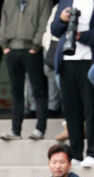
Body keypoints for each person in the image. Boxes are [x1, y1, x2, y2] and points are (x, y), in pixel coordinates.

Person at [0, 0, 51, 140]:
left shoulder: (42, 2)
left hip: (31, 49)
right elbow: (3, 22)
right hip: (12, 49)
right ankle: (15, 130)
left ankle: (40, 129)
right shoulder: (8, 2)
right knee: (16, 92)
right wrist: (4, 46)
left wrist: (35, 46)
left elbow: (44, 23)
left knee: (38, 90)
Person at [52, 0, 94, 166]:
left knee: (91, 108)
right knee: (71, 110)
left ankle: (91, 152)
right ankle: (76, 153)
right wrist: (62, 19)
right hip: (67, 62)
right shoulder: (65, 2)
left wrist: (81, 36)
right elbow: (55, 31)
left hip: (89, 62)